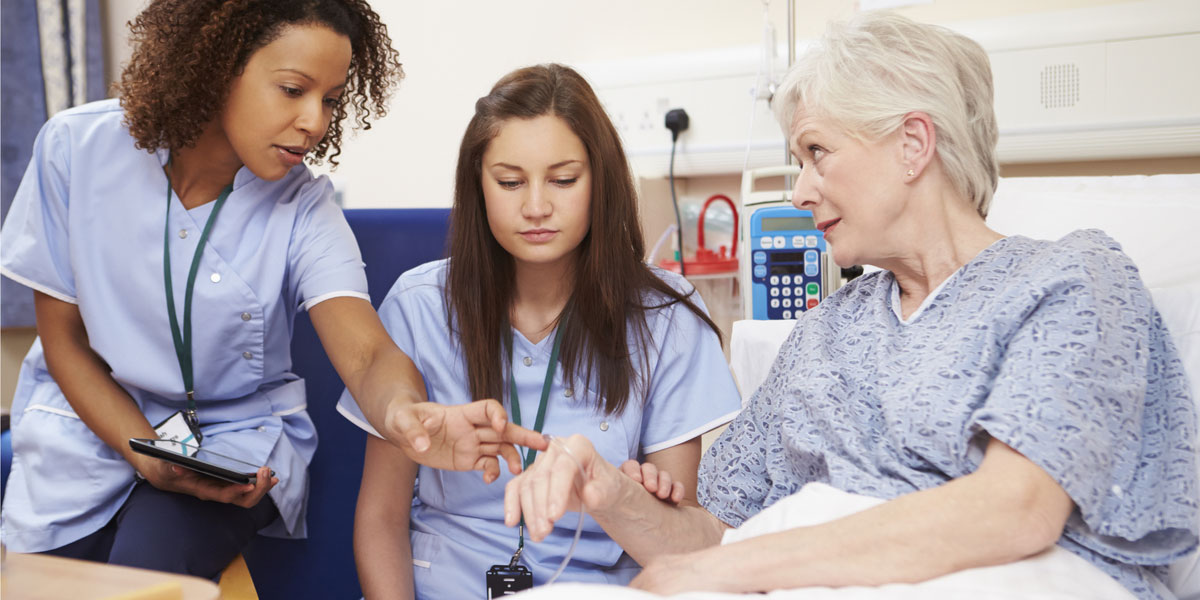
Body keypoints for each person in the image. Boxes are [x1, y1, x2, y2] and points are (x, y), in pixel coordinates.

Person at [503, 12, 1197, 600]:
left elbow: (1013, 512)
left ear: (912, 145)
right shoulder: (829, 329)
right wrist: (608, 490)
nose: (800, 191)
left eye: (816, 153)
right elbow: (712, 533)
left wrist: (727, 567)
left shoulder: (1071, 280)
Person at [0, 0, 543, 580]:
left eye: (331, 98)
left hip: (225, 450)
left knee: (146, 572)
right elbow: (63, 340)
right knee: (48, 583)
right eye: (292, 89)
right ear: (217, 66)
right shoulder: (74, 150)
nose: (316, 120)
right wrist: (142, 449)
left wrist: (407, 414)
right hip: (88, 431)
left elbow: (366, 353)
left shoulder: (305, 207)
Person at [336, 63, 741, 599]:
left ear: (602, 179)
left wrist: (627, 495)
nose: (535, 207)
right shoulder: (419, 306)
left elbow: (677, 548)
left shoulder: (666, 317)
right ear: (477, 186)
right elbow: (381, 518)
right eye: (509, 182)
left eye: (563, 179)